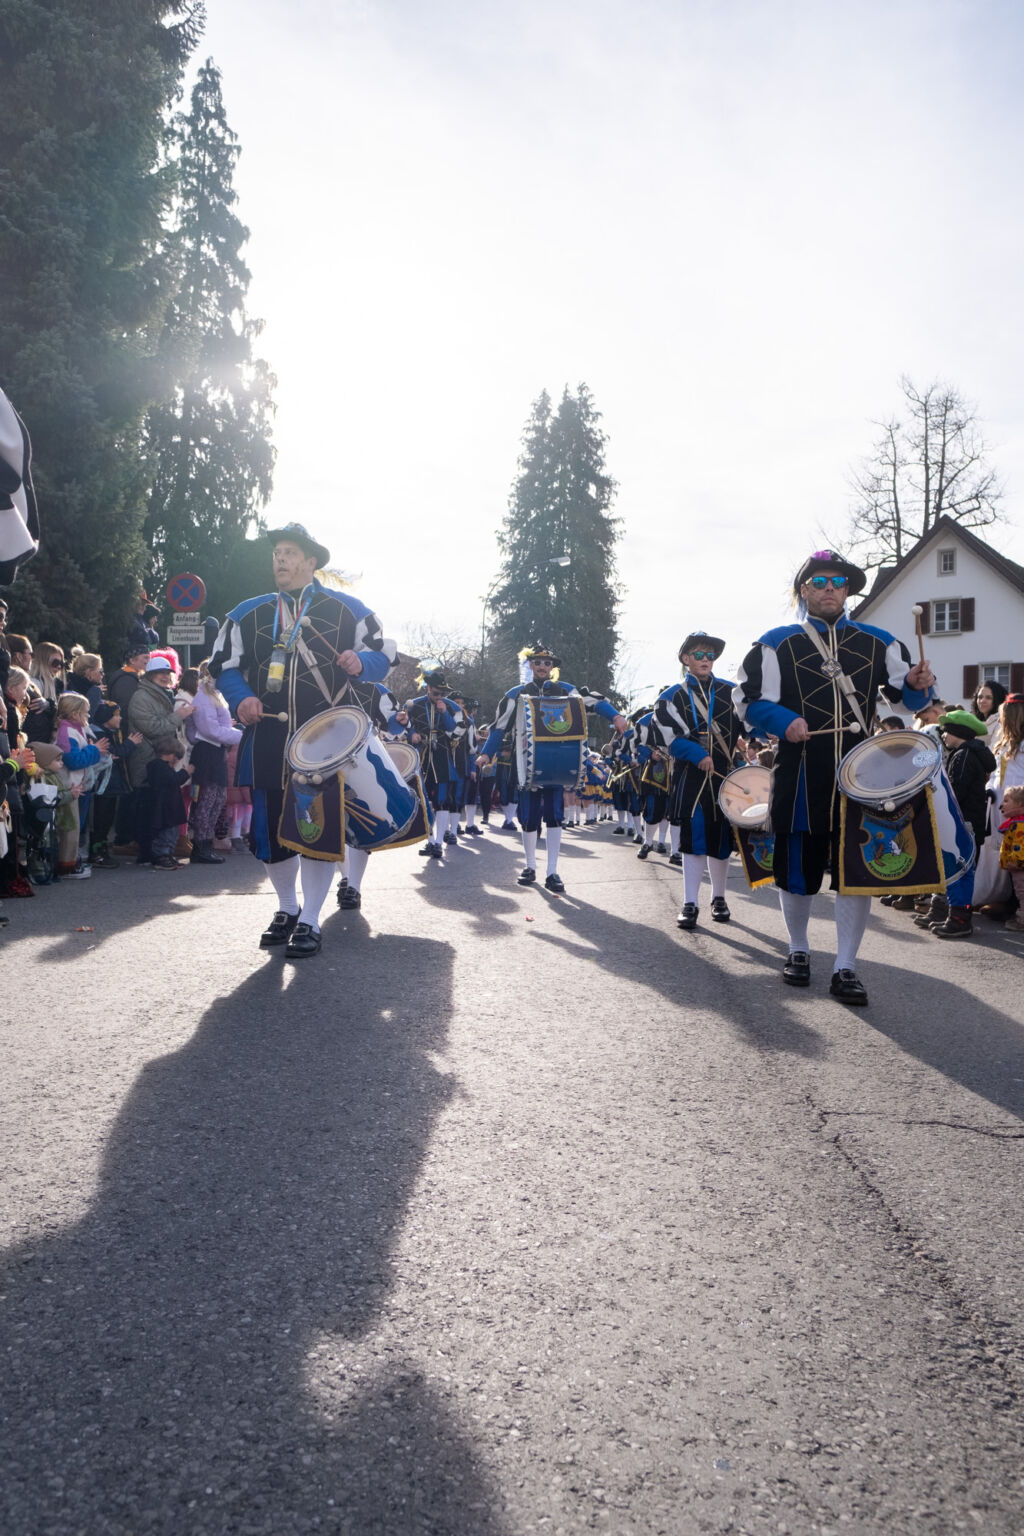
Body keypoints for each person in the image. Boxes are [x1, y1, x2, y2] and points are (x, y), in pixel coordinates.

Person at [734, 548, 934, 1005]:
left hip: (862, 773)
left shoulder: (880, 641)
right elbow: (747, 701)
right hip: (801, 769)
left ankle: (846, 966)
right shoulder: (776, 643)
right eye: (820, 582)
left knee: (856, 869)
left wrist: (918, 685)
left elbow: (908, 701)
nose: (830, 589)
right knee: (797, 869)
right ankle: (798, 949)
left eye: (838, 583)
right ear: (803, 590)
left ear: (848, 591)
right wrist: (784, 720)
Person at [209, 521, 393, 959]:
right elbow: (222, 666)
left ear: (311, 562)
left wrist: (360, 662)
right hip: (268, 738)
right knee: (270, 832)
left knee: (318, 828)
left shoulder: (349, 610)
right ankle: (287, 907)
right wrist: (242, 697)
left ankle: (310, 917)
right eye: (277, 554)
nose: (280, 560)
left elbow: (384, 656)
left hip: (326, 739)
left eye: (289, 553)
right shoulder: (247, 613)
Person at [476, 644, 626, 892]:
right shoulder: (515, 694)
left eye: (547, 663)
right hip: (525, 763)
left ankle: (552, 871)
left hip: (556, 762)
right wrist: (485, 754)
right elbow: (499, 727)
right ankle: (530, 866)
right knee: (528, 817)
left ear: (552, 667)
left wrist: (615, 716)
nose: (542, 666)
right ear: (530, 665)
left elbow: (593, 701)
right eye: (537, 662)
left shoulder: (566, 691)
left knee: (555, 815)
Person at [655, 632, 751, 931]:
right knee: (694, 839)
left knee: (721, 840)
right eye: (699, 654)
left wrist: (767, 730)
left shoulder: (731, 692)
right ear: (686, 659)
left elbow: (750, 725)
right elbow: (668, 738)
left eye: (710, 655)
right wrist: (697, 754)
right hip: (691, 776)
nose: (706, 659)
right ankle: (689, 903)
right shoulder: (671, 696)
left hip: (724, 775)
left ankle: (719, 898)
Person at [910, 710, 995, 939]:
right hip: (969, 820)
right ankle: (945, 912)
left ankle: (959, 920)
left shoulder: (964, 756)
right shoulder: (966, 753)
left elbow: (956, 792)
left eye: (947, 731)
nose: (944, 736)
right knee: (954, 867)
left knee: (960, 869)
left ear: (958, 732)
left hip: (964, 821)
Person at [185, 663, 242, 866]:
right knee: (205, 801)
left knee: (218, 801)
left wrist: (235, 735)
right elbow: (210, 730)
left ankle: (206, 845)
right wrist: (243, 737)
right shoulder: (203, 696)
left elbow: (221, 727)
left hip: (217, 752)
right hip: (206, 753)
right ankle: (200, 846)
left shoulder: (216, 694)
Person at [405, 670, 463, 859]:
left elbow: (456, 731)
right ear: (428, 688)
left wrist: (444, 713)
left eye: (443, 693)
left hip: (442, 755)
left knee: (442, 799)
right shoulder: (413, 705)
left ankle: (438, 842)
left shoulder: (451, 706)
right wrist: (411, 734)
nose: (440, 697)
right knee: (423, 799)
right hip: (420, 754)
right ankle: (430, 841)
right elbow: (403, 725)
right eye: (437, 693)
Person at [139, 737, 194, 870]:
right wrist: (185, 773)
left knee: (172, 834)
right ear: (170, 755)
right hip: (164, 808)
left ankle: (168, 854)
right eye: (177, 757)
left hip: (169, 808)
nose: (177, 761)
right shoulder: (159, 766)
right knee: (166, 834)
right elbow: (172, 780)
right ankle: (161, 856)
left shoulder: (162, 767)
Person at [997, 784, 1024, 932]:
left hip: (1019, 866)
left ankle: (1022, 920)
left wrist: (1015, 860)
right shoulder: (1015, 822)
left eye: (1007, 801)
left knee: (1022, 891)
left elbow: (1021, 844)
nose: (1003, 804)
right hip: (1018, 865)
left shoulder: (1020, 824)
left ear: (1019, 804)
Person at [972, 679, 1008, 745]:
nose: (982, 701)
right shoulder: (974, 722)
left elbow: (994, 749)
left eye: (988, 698)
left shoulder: (1000, 723)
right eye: (980, 697)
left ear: (998, 700)